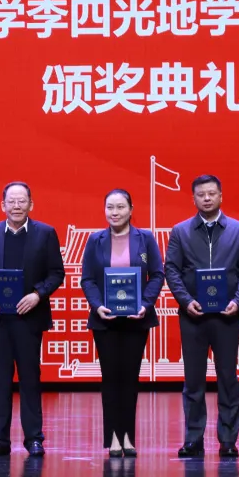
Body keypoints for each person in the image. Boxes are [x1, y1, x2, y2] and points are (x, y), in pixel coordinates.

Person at [0, 181, 65, 457]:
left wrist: (37, 294)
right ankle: (0, 439)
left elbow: (56, 273)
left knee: (30, 379)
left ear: (31, 204)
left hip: (29, 318)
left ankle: (34, 439)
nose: (17, 206)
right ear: (3, 205)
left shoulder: (45, 233)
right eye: (11, 201)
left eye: (22, 201)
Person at [164, 174, 239, 458]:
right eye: (201, 194)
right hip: (192, 315)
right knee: (193, 380)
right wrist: (186, 300)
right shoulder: (180, 231)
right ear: (193, 198)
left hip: (227, 315)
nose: (206, 198)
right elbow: (172, 270)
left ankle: (228, 439)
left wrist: (238, 301)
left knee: (228, 378)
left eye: (211, 193)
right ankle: (193, 438)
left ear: (220, 196)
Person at [80, 189, 165, 457]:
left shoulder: (145, 238)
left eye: (120, 207)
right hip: (105, 320)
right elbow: (87, 279)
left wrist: (145, 304)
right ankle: (113, 438)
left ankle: (128, 436)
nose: (114, 212)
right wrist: (97, 305)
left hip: (135, 320)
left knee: (130, 379)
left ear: (131, 209)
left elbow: (157, 274)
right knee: (110, 379)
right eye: (110, 207)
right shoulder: (95, 240)